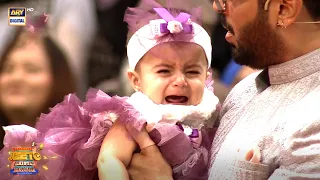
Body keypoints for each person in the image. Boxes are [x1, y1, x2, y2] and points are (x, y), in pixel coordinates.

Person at [0, 0, 223, 179]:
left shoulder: (206, 116)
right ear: (136, 81)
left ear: (207, 76)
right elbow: (109, 161)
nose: (180, 80)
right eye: (164, 71)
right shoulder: (138, 117)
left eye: (192, 72)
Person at [124, 0, 320, 179]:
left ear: (283, 9)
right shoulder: (244, 90)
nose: (218, 7)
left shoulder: (313, 122)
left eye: (229, 1)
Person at [0, 13, 76, 150]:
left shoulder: (78, 150)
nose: (16, 78)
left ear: (57, 79)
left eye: (32, 70)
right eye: (8, 69)